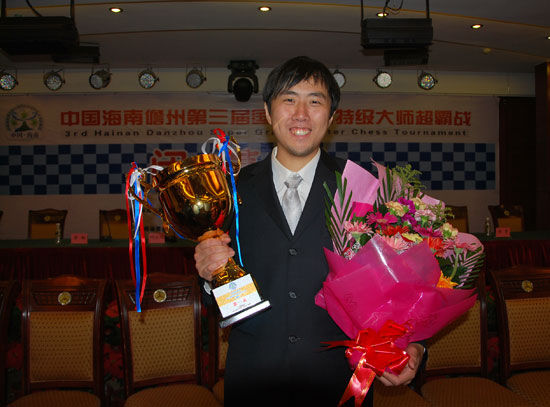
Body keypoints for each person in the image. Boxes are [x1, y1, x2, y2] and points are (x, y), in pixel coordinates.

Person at [194, 56, 425, 407]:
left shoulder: (363, 189)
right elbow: (221, 302)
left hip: (339, 382)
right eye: (289, 99)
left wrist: (413, 344)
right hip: (254, 380)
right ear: (267, 112)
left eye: (315, 101)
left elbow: (406, 284)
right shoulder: (230, 191)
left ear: (331, 117)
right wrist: (211, 277)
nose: (301, 114)